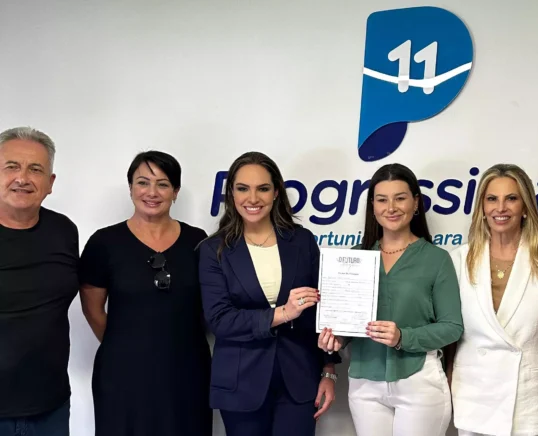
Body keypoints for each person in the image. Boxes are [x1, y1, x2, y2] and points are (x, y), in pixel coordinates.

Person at [317, 163, 463, 436]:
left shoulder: (437, 259)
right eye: (382, 200)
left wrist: (403, 337)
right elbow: (348, 326)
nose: (391, 207)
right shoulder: (355, 258)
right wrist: (336, 339)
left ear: (415, 202)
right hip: (364, 383)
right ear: (372, 206)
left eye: (400, 198)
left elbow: (452, 327)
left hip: (418, 380)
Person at [199, 151, 338, 436]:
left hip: (299, 379)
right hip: (241, 383)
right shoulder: (214, 250)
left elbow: (322, 311)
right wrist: (282, 313)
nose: (253, 198)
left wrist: (328, 369)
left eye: (262, 188)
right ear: (231, 194)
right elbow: (220, 320)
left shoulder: (301, 241)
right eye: (243, 188)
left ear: (276, 192)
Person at [78, 151, 212, 436]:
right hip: (123, 374)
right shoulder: (104, 242)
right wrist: (129, 345)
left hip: (187, 371)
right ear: (130, 188)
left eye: (163, 184)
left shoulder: (198, 241)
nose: (152, 192)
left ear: (175, 192)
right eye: (142, 183)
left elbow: (207, 306)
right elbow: (92, 308)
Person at [447, 164, 538, 436]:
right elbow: (449, 334)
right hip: (475, 397)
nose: (500, 208)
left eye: (511, 198)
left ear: (525, 206)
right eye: (492, 199)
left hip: (532, 399)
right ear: (482, 207)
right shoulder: (458, 260)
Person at [0, 127, 77, 436]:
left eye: (35, 169)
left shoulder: (64, 231)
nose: (22, 178)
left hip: (50, 406)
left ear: (50, 183)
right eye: (11, 166)